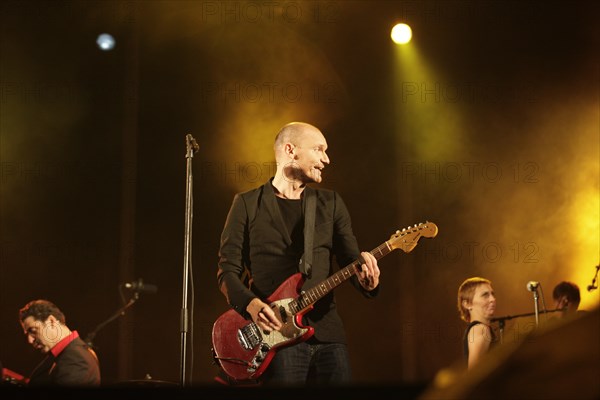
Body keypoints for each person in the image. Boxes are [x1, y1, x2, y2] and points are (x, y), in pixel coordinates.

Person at [216, 121, 380, 386]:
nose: (326, 159)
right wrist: (252, 304)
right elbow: (227, 271)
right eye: (319, 150)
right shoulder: (246, 204)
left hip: (328, 334)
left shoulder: (331, 203)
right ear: (291, 150)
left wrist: (367, 281)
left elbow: (351, 260)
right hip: (275, 337)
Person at [18, 299, 101, 387]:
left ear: (51, 321)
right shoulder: (68, 355)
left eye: (33, 331)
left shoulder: (76, 359)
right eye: (27, 334)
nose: (30, 340)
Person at [457, 277, 497, 370]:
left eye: (492, 294)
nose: (493, 299)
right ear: (467, 304)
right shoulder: (480, 329)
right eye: (485, 295)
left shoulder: (479, 329)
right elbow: (474, 373)